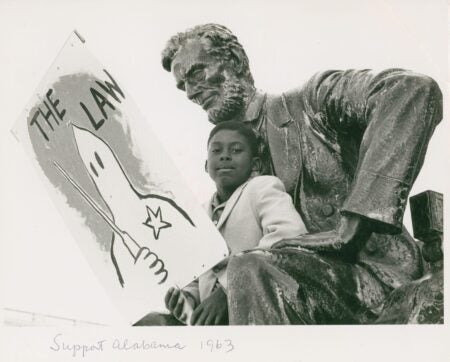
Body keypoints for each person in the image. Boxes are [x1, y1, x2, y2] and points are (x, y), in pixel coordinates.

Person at [160, 24, 443, 324]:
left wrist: (353, 224)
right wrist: (192, 297)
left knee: (249, 270)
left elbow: (411, 91)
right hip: (275, 295)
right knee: (156, 324)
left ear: (236, 63)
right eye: (182, 86)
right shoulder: (225, 181)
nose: (191, 92)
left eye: (197, 73)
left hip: (366, 280)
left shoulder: (311, 103)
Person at [135, 121, 306, 326]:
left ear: (256, 165)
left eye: (236, 150)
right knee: (148, 323)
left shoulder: (261, 187)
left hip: (257, 309)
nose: (225, 156)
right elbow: (199, 276)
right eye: (216, 151)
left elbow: (291, 236)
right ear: (206, 165)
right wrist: (186, 298)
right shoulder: (198, 214)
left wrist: (229, 290)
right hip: (214, 323)